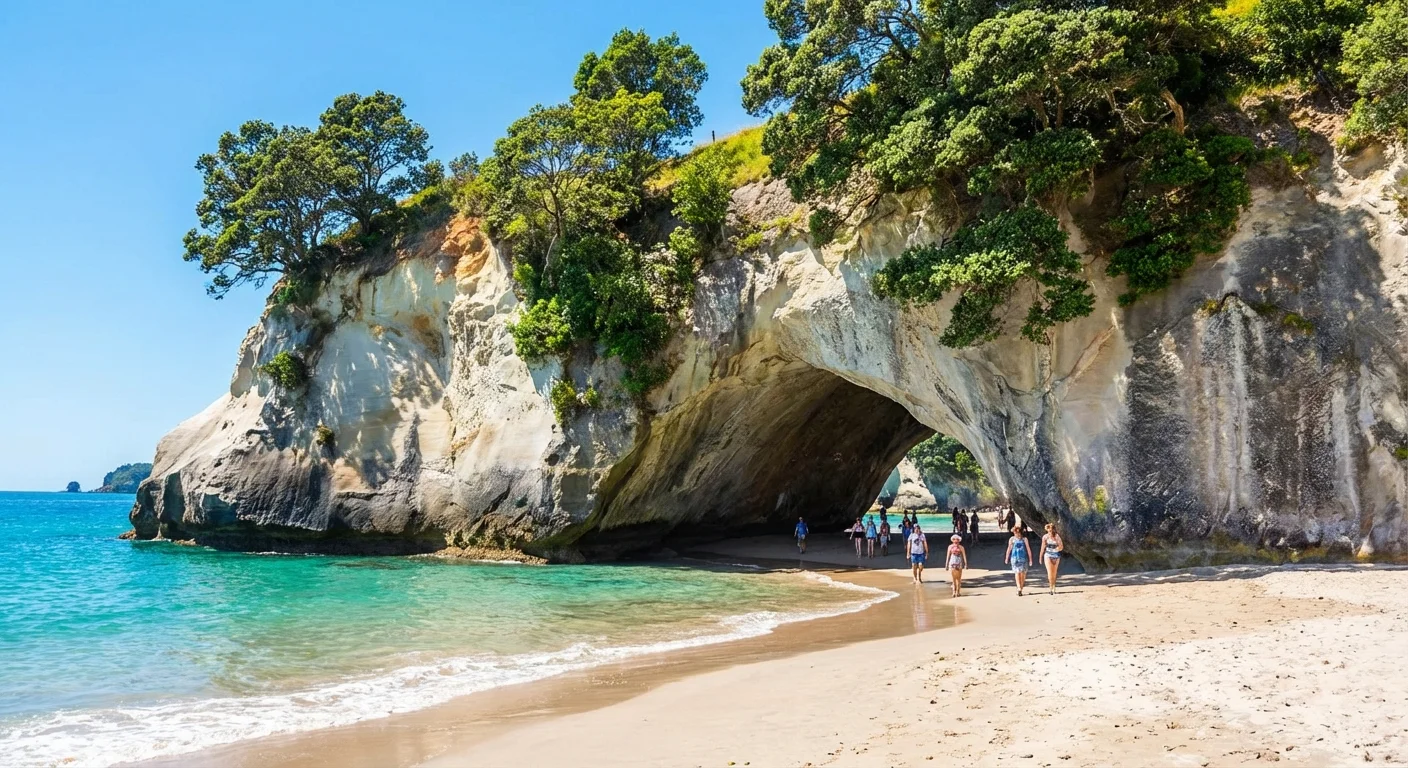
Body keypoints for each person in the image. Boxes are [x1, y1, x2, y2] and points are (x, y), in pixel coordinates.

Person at [1005, 524, 1033, 596]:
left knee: (1023, 574)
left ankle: (1021, 587)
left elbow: (1028, 549)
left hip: (1023, 559)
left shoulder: (1024, 539)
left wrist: (1030, 559)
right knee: (1017, 573)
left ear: (1020, 532)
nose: (1016, 534)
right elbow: (1009, 548)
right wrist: (1007, 557)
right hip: (1015, 558)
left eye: (1017, 532)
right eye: (1015, 532)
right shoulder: (1012, 539)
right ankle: (1019, 588)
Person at [1041, 523, 1064, 594]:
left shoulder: (1057, 536)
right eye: (1048, 530)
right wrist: (1040, 556)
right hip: (1048, 555)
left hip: (1056, 555)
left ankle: (1054, 586)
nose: (1050, 532)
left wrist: (1057, 548)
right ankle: (1051, 587)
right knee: (1049, 572)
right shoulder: (1045, 537)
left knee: (1054, 572)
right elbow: (1043, 547)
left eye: (1051, 530)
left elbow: (1061, 546)